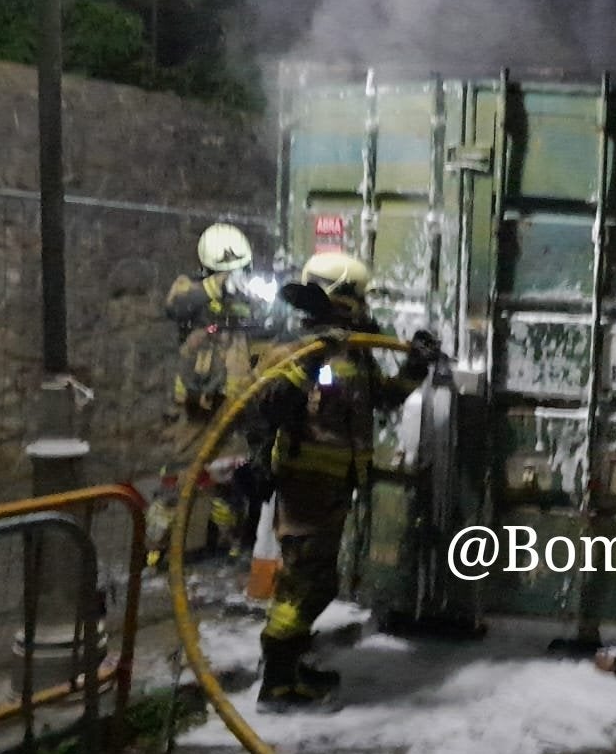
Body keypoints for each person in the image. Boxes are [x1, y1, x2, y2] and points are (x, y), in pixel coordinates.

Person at [245, 252, 439, 713]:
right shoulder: (298, 347)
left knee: (319, 582)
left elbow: (384, 400)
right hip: (306, 486)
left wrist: (415, 366)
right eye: (358, 296)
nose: (363, 305)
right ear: (340, 297)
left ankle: (290, 667)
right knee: (301, 583)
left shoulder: (352, 350)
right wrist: (307, 363)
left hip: (334, 486)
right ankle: (276, 684)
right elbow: (262, 404)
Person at [147, 223, 262, 564]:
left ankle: (225, 544)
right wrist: (217, 285)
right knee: (176, 480)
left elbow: (254, 330)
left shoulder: (242, 300)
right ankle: (155, 550)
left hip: (233, 403)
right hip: (197, 404)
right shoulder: (190, 289)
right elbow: (177, 307)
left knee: (229, 478)